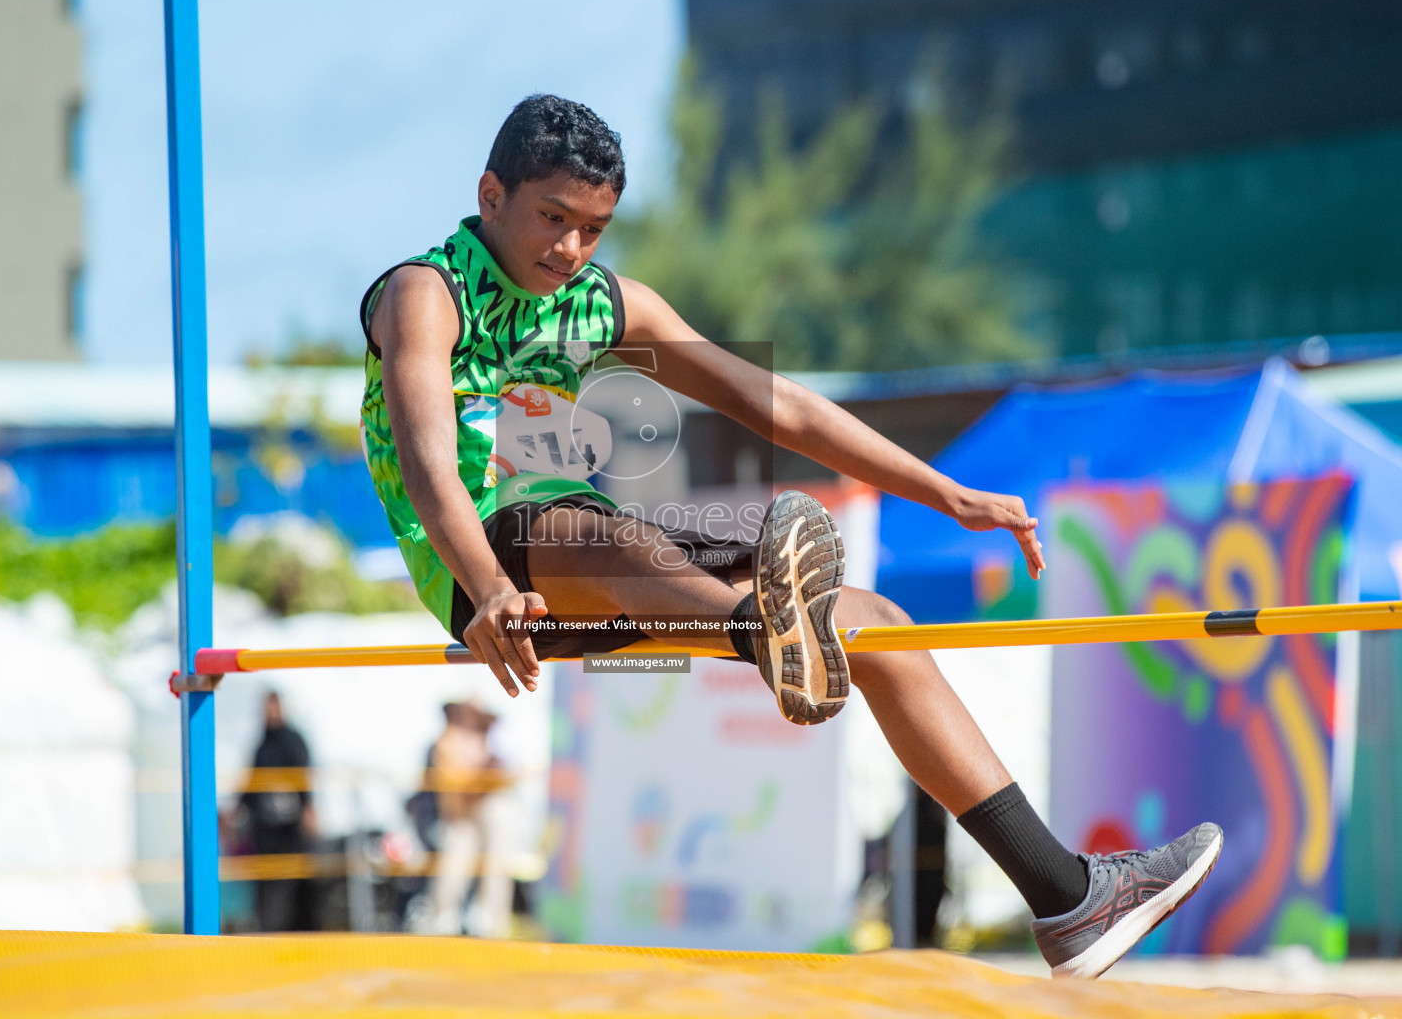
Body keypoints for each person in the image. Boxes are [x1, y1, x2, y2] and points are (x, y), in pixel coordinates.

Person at [359, 94, 1222, 978]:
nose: (571, 250)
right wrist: (490, 589)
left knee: (877, 623)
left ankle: (1067, 897)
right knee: (594, 531)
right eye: (553, 219)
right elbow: (430, 461)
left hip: (602, 553)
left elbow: (780, 404)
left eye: (594, 228)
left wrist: (943, 491)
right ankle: (763, 632)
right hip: (483, 570)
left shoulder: (605, 302)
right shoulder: (425, 293)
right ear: (491, 194)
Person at [420, 700, 515, 937]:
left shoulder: (474, 744)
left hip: (474, 814)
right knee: (455, 859)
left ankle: (489, 921)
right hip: (459, 817)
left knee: (495, 854)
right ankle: (445, 919)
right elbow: (456, 790)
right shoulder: (446, 744)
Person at [239, 691, 317, 932]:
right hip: (265, 827)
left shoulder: (293, 740)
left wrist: (308, 808)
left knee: (293, 881)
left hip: (289, 828)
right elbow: (252, 781)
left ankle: (295, 930)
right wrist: (237, 810)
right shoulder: (261, 743)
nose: (270, 712)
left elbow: (304, 777)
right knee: (266, 882)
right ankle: (269, 929)